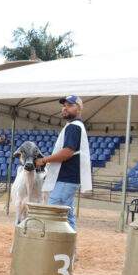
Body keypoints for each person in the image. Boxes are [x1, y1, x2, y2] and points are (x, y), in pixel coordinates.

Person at [36, 95, 91, 229]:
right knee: (67, 216)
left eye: (70, 105)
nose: (65, 108)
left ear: (79, 109)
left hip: (66, 178)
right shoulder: (74, 126)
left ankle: (58, 242)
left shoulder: (73, 127)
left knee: (54, 214)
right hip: (68, 179)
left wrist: (44, 160)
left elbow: (67, 152)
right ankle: (70, 242)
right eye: (64, 106)